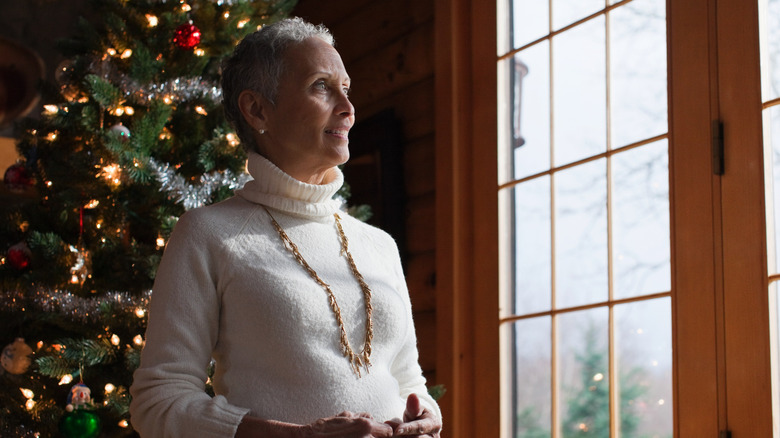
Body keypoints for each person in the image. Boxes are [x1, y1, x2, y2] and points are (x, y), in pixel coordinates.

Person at [129, 17, 442, 438]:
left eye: (345, 89)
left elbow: (408, 382)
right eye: (321, 86)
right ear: (258, 109)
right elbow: (158, 402)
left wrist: (426, 414)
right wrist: (300, 436)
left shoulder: (379, 244)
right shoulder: (207, 234)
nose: (348, 108)